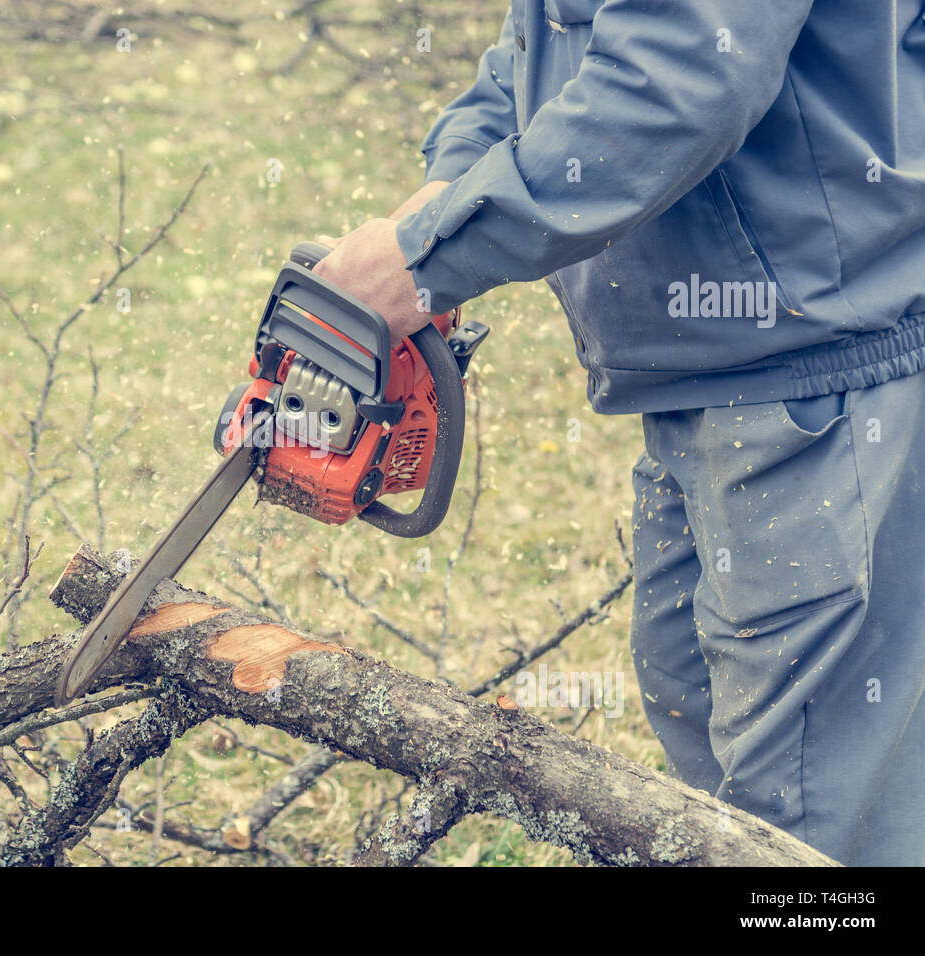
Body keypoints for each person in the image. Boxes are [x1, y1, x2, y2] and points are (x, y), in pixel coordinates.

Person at [312, 1, 925, 866]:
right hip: (704, 371)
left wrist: (429, 257)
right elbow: (548, 43)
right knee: (701, 744)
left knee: (806, 820)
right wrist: (449, 193)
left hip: (819, 368)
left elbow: (682, 78)